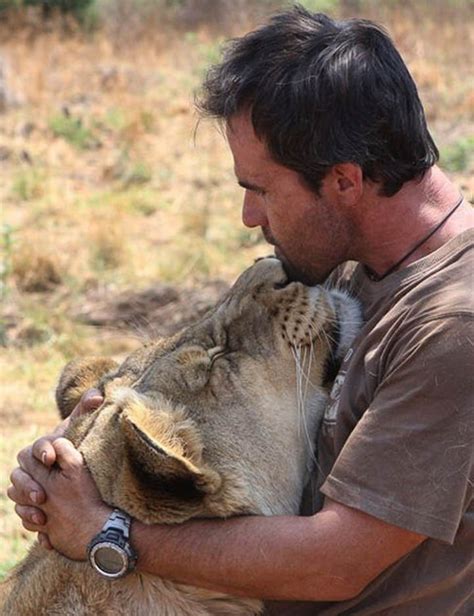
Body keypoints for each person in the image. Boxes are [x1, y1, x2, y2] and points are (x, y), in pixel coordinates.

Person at [7, 6, 473, 615]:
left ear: (344, 181)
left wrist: (107, 532)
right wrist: (73, 453)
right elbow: (208, 391)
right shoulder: (336, 257)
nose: (249, 218)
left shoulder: (451, 327)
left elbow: (337, 561)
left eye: (260, 189)